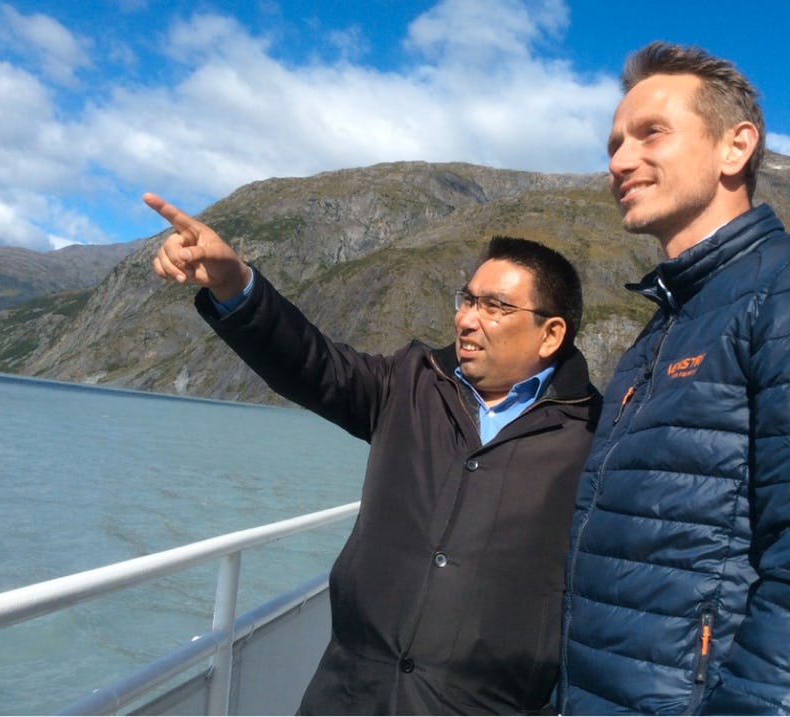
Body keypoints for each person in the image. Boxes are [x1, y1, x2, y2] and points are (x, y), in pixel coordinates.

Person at [558, 42, 790, 715]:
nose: (617, 161)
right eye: (614, 142)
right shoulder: (662, 330)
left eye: (651, 133)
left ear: (735, 147)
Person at [144, 192, 601, 715]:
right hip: (349, 696)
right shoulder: (410, 382)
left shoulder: (595, 437)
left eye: (494, 306)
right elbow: (309, 361)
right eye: (467, 299)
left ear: (551, 334)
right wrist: (233, 284)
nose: (467, 320)